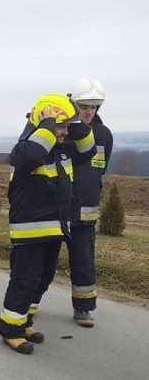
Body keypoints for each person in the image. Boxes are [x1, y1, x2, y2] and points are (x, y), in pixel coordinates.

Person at [0, 93, 96, 354]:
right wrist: (47, 126)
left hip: (54, 229)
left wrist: (76, 123)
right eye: (60, 127)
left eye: (66, 128)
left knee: (43, 279)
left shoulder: (61, 152)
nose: (64, 132)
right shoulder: (26, 148)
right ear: (46, 125)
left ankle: (24, 320)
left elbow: (89, 150)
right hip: (30, 231)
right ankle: (10, 328)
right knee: (25, 280)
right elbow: (32, 155)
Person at [65, 77, 114, 328]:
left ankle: (83, 307)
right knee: (41, 260)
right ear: (73, 104)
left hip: (85, 209)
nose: (88, 111)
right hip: (57, 209)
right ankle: (28, 305)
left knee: (84, 260)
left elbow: (99, 169)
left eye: (93, 107)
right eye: (84, 106)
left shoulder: (104, 135)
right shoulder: (61, 131)